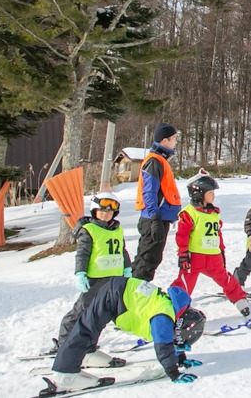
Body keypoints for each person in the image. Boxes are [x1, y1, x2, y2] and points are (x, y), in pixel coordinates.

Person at [47, 276, 206, 391]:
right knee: (86, 328)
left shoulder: (173, 309)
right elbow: (163, 345)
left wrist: (180, 358)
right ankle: (65, 374)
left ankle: (88, 352)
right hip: (114, 295)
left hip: (119, 289)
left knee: (92, 326)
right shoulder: (163, 318)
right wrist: (173, 373)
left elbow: (171, 338)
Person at [50, 192, 133, 355]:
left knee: (101, 313)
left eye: (109, 211)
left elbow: (122, 251)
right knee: (82, 309)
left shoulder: (117, 229)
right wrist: (80, 273)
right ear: (94, 211)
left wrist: (127, 268)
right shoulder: (89, 230)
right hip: (95, 279)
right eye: (102, 211)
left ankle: (89, 342)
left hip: (114, 279)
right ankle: (64, 342)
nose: (105, 214)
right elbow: (82, 254)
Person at [170, 172, 251, 316]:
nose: (213, 195)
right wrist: (183, 254)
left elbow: (218, 235)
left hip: (214, 258)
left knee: (227, 280)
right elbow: (182, 236)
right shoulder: (189, 213)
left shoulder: (214, 214)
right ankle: (173, 310)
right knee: (184, 284)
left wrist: (222, 252)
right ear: (198, 194)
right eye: (210, 193)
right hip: (195, 258)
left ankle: (240, 301)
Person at [133, 122, 182, 281]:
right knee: (147, 261)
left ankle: (135, 288)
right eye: (174, 138)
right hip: (154, 218)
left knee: (147, 259)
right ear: (164, 141)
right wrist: (155, 219)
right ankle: (136, 291)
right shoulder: (154, 161)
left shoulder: (159, 160)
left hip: (157, 217)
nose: (176, 142)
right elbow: (149, 192)